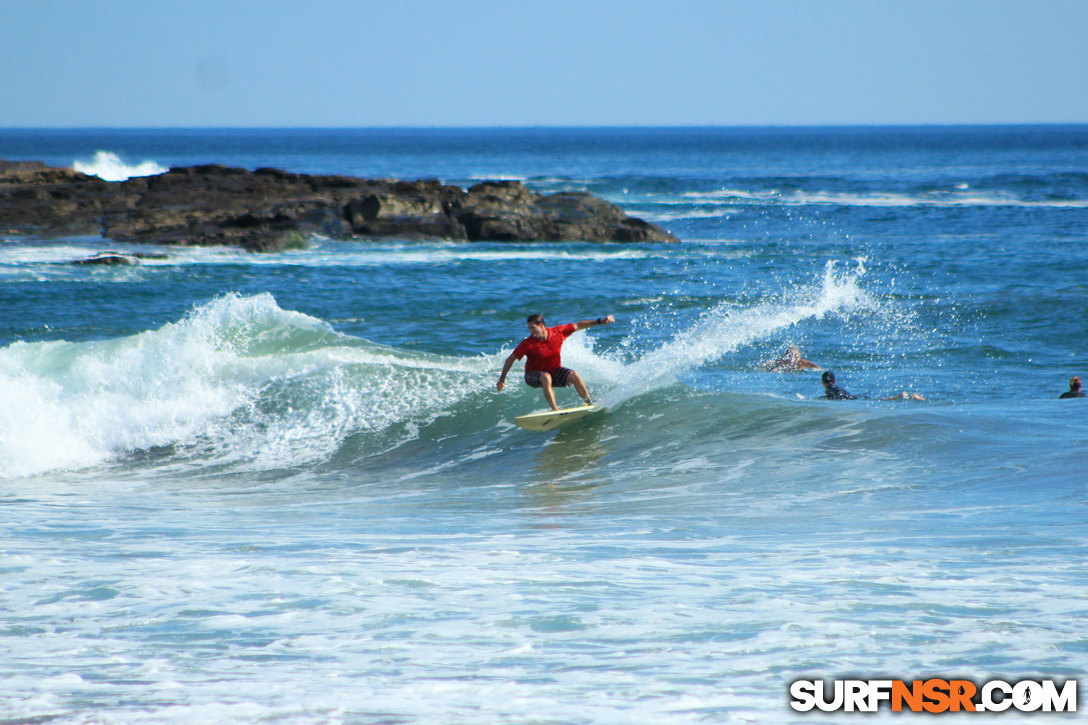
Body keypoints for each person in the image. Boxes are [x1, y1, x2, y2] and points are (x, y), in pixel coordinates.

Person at [497, 313, 615, 410]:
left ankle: (589, 403)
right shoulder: (528, 344)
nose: (531, 331)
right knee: (546, 377)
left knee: (574, 375)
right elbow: (510, 359)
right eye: (529, 328)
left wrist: (599, 321)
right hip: (532, 375)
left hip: (554, 372)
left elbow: (578, 325)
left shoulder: (557, 332)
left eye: (533, 328)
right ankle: (555, 410)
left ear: (542, 325)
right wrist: (502, 379)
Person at [820, 371, 926, 401]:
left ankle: (901, 396)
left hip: (853, 400)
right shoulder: (836, 387)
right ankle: (905, 396)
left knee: (879, 400)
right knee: (879, 399)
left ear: (823, 383)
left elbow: (835, 398)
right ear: (834, 380)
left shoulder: (829, 389)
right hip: (856, 397)